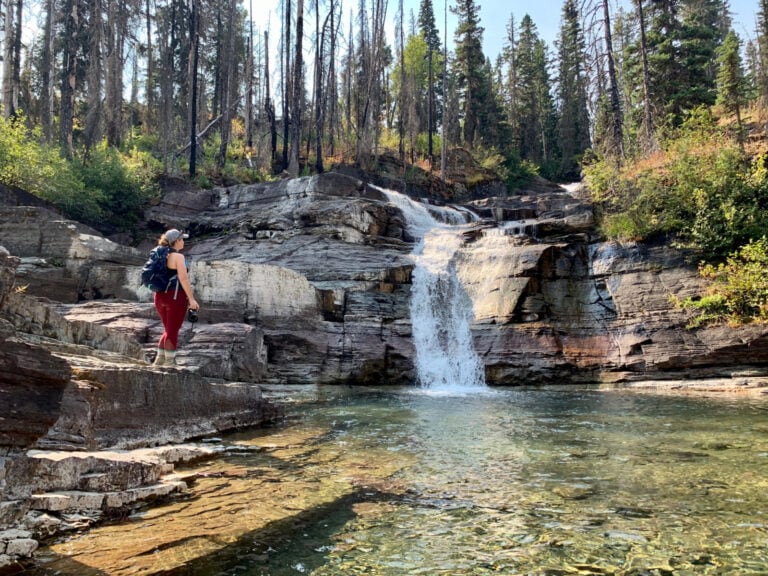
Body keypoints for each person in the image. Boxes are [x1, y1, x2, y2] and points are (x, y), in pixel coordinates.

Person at [153, 229, 200, 366]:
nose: (184, 241)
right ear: (177, 241)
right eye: (182, 239)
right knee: (172, 331)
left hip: (159, 296)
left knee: (168, 329)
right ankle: (170, 363)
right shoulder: (178, 257)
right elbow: (183, 279)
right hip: (175, 297)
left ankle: (159, 360)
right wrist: (191, 299)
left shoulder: (158, 253)